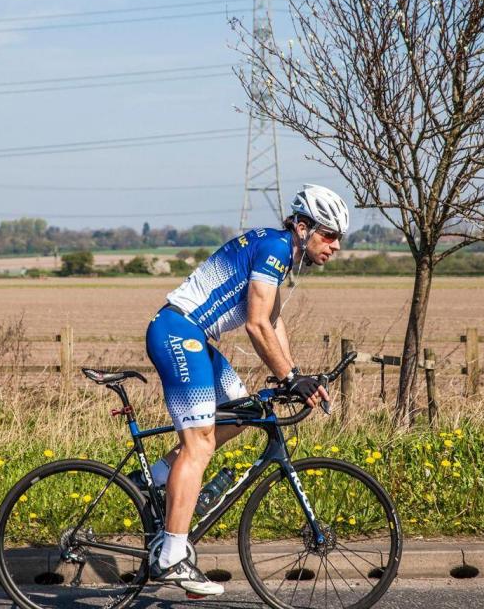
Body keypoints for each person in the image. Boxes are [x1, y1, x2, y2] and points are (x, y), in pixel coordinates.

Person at [137, 184, 350, 595]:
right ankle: (172, 558)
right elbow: (255, 324)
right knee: (199, 445)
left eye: (339, 238)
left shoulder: (279, 256)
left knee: (243, 414)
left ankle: (154, 478)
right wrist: (290, 377)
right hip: (178, 332)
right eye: (329, 234)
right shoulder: (273, 249)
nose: (336, 245)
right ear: (302, 228)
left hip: (191, 335)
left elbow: (272, 321)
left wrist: (294, 375)